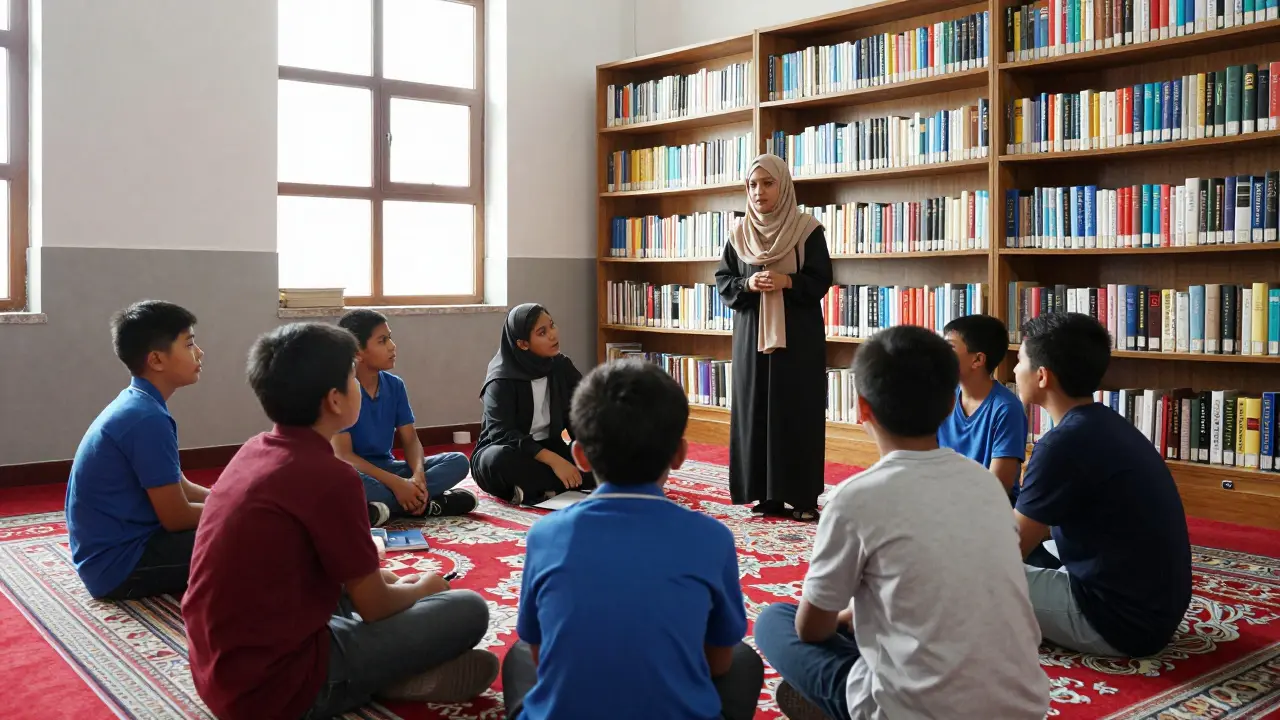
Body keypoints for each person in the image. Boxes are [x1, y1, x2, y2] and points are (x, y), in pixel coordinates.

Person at [183, 322, 497, 720]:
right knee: (467, 608)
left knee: (373, 589)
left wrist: (386, 584)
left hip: (216, 671)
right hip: (278, 688)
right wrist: (423, 587)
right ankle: (374, 678)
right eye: (351, 375)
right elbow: (375, 606)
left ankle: (387, 674)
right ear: (335, 400)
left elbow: (324, 574)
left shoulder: (252, 450)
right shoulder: (330, 475)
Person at [753, 325, 1048, 720]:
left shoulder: (855, 497)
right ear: (949, 405)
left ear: (861, 409)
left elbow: (812, 630)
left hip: (909, 711)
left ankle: (840, 702)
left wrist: (849, 618)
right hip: (1022, 707)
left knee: (775, 622)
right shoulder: (988, 486)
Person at [501, 360, 764, 720]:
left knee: (518, 655)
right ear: (680, 454)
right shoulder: (711, 538)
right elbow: (718, 661)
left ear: (579, 456)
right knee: (744, 661)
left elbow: (537, 653)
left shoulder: (545, 535)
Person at [1012, 312, 1192, 657]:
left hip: (1115, 623)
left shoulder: (1060, 445)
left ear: (1042, 376)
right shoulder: (1105, 424)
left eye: (1020, 361)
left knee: (967, 571)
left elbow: (1006, 551)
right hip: (1152, 612)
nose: (1014, 372)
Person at [715, 153, 833, 522]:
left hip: (798, 337)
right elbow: (723, 281)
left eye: (768, 183)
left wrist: (788, 282)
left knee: (796, 410)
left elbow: (821, 280)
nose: (759, 192)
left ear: (784, 186)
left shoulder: (807, 229)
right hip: (752, 337)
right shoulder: (739, 234)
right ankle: (763, 494)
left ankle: (801, 496)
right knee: (755, 409)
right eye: (752, 184)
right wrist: (748, 283)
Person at [65, 300, 208, 600]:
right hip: (122, 568)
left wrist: (231, 498)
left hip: (113, 557)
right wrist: (238, 513)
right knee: (253, 536)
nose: (199, 353)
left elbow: (181, 486)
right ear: (156, 359)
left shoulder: (140, 403)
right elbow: (177, 516)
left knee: (245, 524)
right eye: (189, 344)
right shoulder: (146, 418)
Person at [332, 309, 476, 523]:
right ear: (357, 351)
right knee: (343, 481)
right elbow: (344, 456)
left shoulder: (395, 385)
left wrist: (417, 476)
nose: (392, 346)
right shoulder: (340, 390)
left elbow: (410, 439)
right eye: (382, 341)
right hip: (357, 472)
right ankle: (430, 505)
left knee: (458, 461)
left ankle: (382, 509)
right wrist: (398, 485)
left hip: (388, 468)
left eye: (390, 338)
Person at [470, 304, 594, 505]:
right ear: (522, 343)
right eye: (542, 332)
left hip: (551, 446)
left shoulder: (561, 366)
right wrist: (555, 462)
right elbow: (502, 433)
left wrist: (586, 446)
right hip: (510, 451)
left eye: (552, 326)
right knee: (497, 461)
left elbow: (580, 412)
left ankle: (536, 490)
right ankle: (556, 485)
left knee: (603, 460)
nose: (553, 335)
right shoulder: (501, 379)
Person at [938, 313, 1029, 498]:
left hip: (988, 513)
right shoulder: (942, 396)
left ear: (978, 360)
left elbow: (997, 487)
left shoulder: (1006, 409)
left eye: (950, 348)